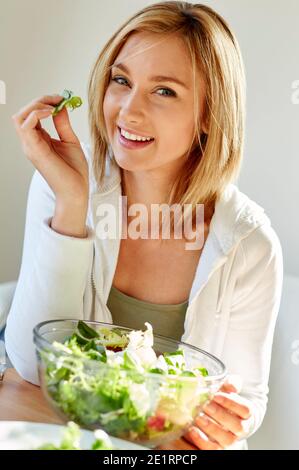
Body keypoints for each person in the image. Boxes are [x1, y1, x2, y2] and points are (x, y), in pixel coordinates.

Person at [5, 1, 283, 450]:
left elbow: (244, 400)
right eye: (121, 81)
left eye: (165, 91)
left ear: (211, 114)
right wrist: (72, 206)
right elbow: (29, 365)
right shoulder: (66, 183)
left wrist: (231, 417)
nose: (128, 111)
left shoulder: (249, 245)